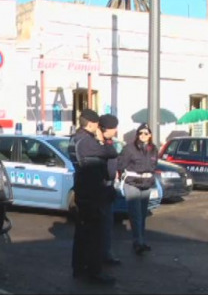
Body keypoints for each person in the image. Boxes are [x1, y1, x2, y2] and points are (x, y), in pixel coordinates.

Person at [68, 109, 118, 285]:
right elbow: (111, 152)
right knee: (93, 235)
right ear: (90, 124)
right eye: (97, 124)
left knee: (83, 233)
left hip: (84, 191)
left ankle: (79, 268)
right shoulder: (86, 141)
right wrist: (100, 139)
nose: (99, 127)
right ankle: (94, 271)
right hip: (91, 193)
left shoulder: (75, 138)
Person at [117, 123, 158, 255]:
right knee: (135, 214)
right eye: (140, 133)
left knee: (142, 214)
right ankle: (138, 242)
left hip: (146, 183)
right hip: (132, 183)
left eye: (146, 133)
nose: (143, 136)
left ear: (150, 135)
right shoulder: (129, 148)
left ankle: (141, 240)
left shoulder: (153, 149)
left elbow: (154, 165)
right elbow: (121, 163)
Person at [98, 114, 121, 266]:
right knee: (102, 225)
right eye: (114, 127)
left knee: (107, 224)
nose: (117, 130)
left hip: (109, 186)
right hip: (101, 188)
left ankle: (106, 253)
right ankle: (102, 256)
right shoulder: (98, 145)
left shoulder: (109, 143)